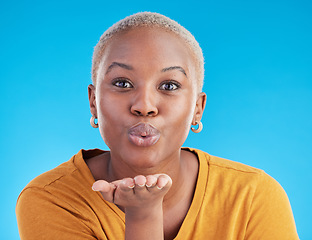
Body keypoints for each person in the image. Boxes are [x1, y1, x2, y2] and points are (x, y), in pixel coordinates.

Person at [16, 12, 299, 240]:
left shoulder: (253, 197)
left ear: (197, 109)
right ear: (93, 102)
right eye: (122, 83)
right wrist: (143, 215)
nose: (144, 106)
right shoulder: (51, 199)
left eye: (169, 85)